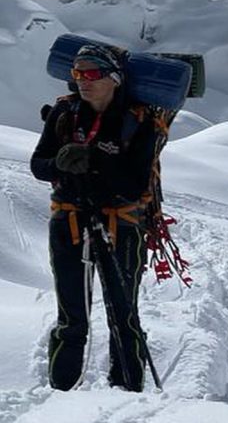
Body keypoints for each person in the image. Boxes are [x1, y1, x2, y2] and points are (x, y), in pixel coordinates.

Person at [30, 41, 163, 392]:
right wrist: (58, 163)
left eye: (91, 73)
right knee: (71, 317)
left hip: (120, 223)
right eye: (77, 73)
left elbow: (135, 185)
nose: (82, 81)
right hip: (69, 219)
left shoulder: (139, 123)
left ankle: (128, 391)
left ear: (114, 79)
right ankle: (60, 391)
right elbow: (37, 164)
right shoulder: (63, 114)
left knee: (123, 316)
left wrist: (95, 161)